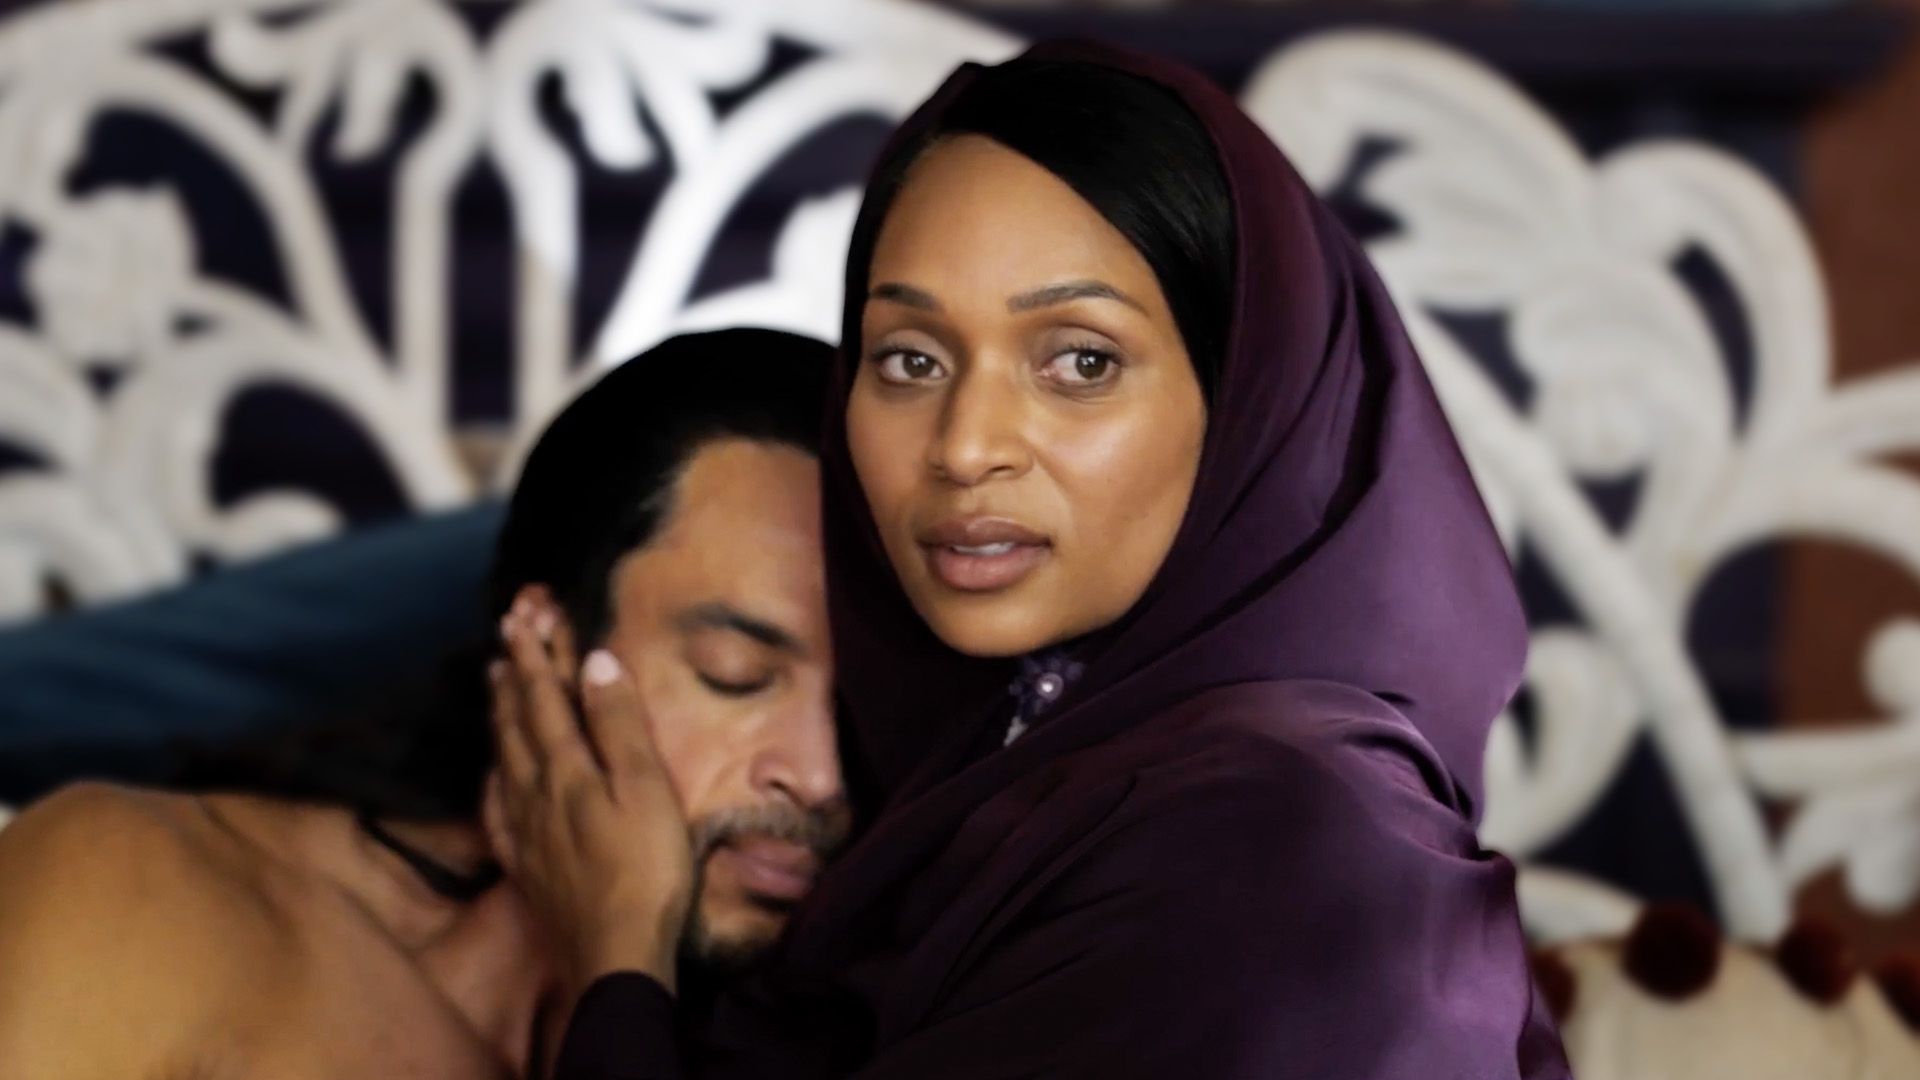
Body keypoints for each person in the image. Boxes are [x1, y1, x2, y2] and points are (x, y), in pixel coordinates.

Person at [492, 43, 1571, 1079]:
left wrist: (615, 964)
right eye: (910, 359)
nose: (965, 447)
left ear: (1251, 400)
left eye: (1081, 363)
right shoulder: (995, 767)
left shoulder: (1289, 852)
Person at [0, 329, 849, 1079]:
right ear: (548, 650)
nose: (820, 776)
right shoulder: (147, 900)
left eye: (867, 706)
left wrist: (620, 968)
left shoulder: (858, 1034)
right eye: (736, 675)